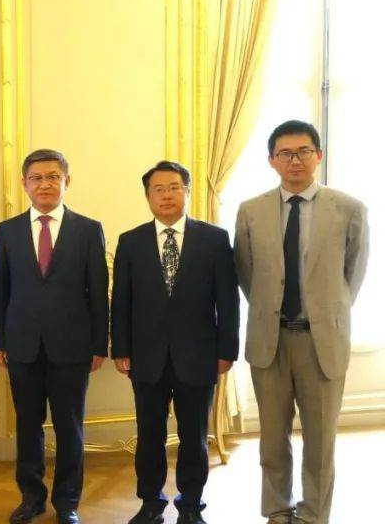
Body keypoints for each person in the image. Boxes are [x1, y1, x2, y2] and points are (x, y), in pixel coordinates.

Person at [234, 120, 368, 524]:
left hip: (321, 341)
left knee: (320, 439)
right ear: (272, 160)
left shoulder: (349, 209)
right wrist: (271, 310)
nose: (295, 160)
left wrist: (326, 313)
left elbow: (352, 275)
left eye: (304, 151)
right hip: (270, 340)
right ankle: (277, 509)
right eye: (286, 153)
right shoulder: (250, 211)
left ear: (318, 155)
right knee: (272, 439)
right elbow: (247, 274)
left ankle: (313, 514)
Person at [111, 161, 239, 524]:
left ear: (187, 191)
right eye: (158, 189)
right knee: (149, 434)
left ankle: (191, 504)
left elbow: (228, 300)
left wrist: (227, 351)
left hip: (199, 355)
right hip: (146, 357)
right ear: (148, 196)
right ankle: (151, 502)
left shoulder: (214, 239)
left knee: (194, 436)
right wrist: (120, 349)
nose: (166, 195)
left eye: (174, 187)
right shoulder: (131, 241)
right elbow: (121, 301)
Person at [0, 148, 109, 524]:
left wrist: (99, 345)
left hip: (72, 347)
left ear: (66, 182)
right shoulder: (7, 230)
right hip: (22, 345)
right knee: (28, 426)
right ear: (25, 184)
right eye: (37, 178)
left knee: (70, 427)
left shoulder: (88, 230)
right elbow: (0, 290)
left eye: (53, 177)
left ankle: (68, 502)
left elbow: (98, 292)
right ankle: (32, 497)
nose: (45, 184)